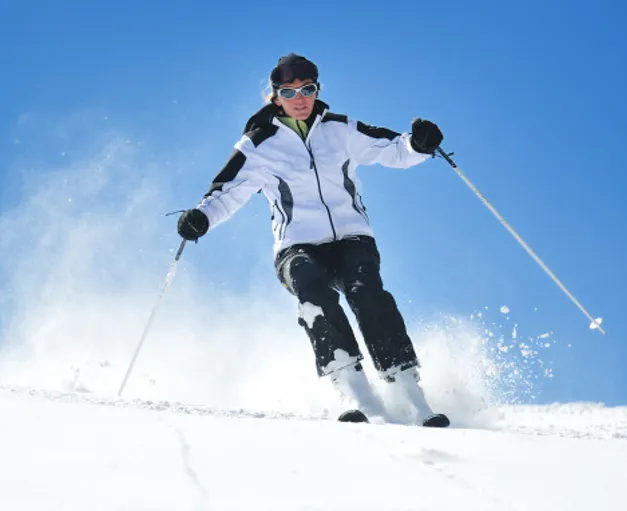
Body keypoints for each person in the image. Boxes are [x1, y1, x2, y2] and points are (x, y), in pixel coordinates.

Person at [176, 53, 449, 427]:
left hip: (352, 238)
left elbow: (394, 148)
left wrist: (419, 143)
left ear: (317, 89)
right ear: (275, 97)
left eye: (307, 89)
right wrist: (201, 217)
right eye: (289, 92)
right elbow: (228, 191)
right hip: (297, 246)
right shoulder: (258, 144)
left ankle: (409, 391)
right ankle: (354, 390)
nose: (300, 98)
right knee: (312, 288)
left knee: (367, 292)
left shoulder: (341, 129)